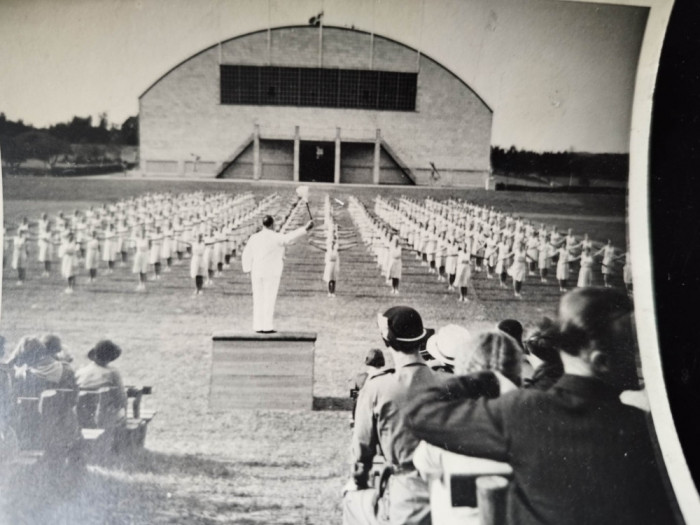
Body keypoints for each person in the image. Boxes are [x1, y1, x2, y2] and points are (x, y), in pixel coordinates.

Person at [406, 288, 676, 525]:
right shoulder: (647, 426)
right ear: (601, 361)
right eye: (631, 353)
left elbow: (420, 412)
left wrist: (484, 377)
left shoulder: (525, 410)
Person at [343, 306, 437, 525]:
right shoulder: (448, 383)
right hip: (448, 490)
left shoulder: (377, 387)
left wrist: (359, 479)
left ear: (387, 340)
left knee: (352, 501)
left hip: (408, 494)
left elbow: (362, 451)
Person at [241, 215, 313, 333]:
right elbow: (289, 238)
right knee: (269, 298)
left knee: (258, 298)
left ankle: (258, 326)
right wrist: (305, 228)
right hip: (271, 272)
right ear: (272, 225)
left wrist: (247, 269)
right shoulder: (276, 237)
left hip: (257, 271)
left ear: (263, 224)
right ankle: (267, 326)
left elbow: (246, 254)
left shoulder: (254, 237)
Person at [75, 339, 128, 428]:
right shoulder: (113, 373)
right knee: (121, 414)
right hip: (104, 419)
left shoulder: (80, 372)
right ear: (110, 358)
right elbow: (121, 398)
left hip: (81, 418)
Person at [349, 348, 388, 428]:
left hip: (364, 417)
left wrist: (353, 419)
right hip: (383, 418)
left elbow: (354, 399)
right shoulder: (389, 376)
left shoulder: (358, 378)